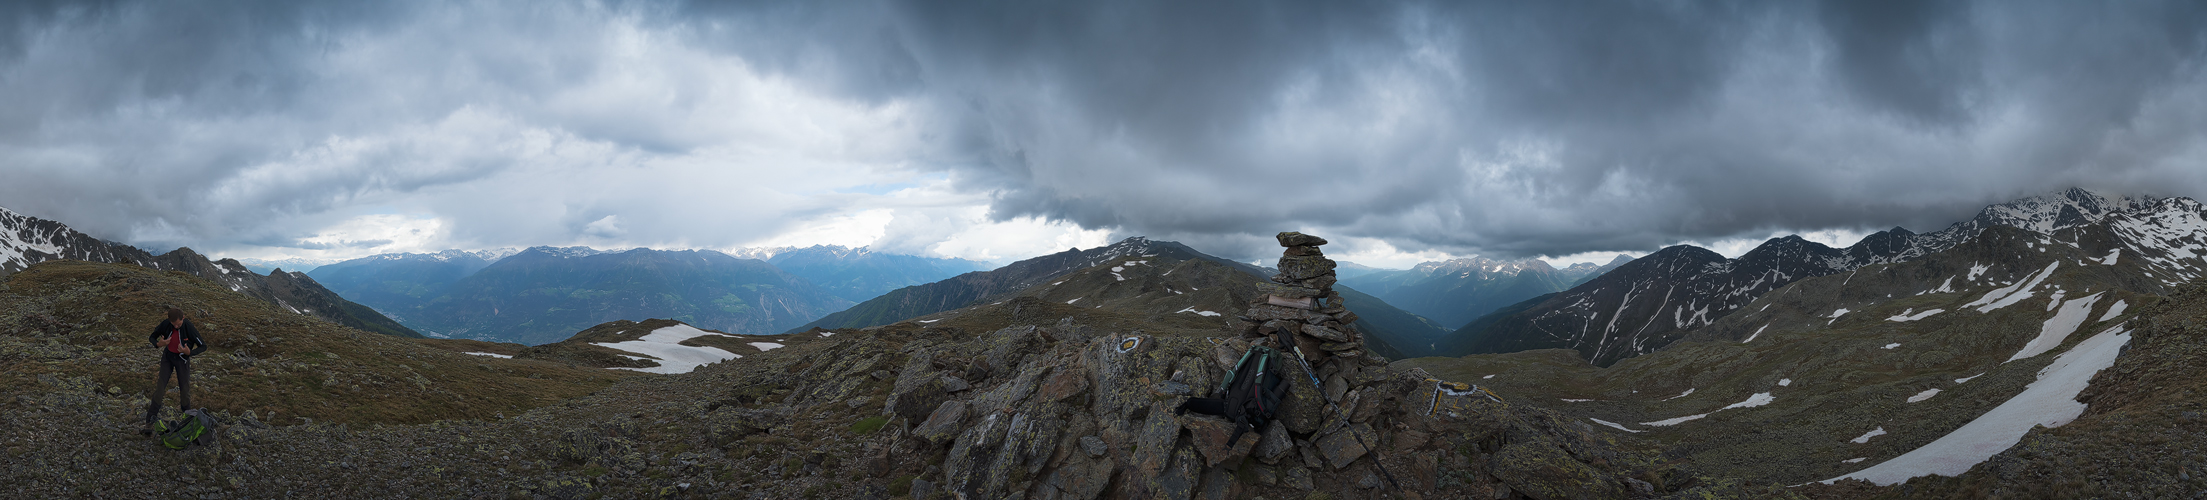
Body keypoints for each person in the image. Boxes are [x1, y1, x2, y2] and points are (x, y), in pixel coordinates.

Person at [142, 307, 206, 435]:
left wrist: (189, 353)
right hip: (168, 358)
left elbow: (203, 346)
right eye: (174, 324)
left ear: (183, 318)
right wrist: (159, 344)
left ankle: (187, 421)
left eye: (179, 324)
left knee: (185, 389)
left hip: (182, 360)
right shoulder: (166, 324)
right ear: (169, 320)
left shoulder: (188, 326)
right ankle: (149, 421)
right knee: (160, 387)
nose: (176, 326)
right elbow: (152, 337)